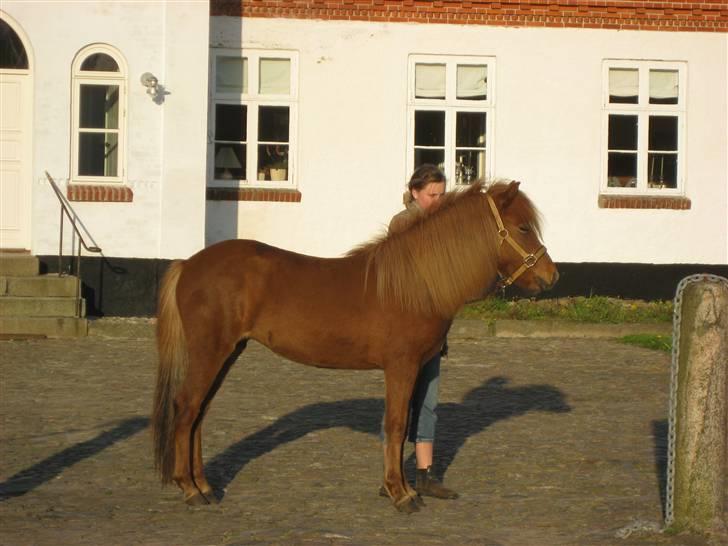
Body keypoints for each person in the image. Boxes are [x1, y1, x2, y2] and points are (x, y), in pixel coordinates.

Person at [381, 163, 459, 500]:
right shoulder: (403, 222)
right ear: (415, 192)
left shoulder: (442, 223)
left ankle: (425, 474)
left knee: (428, 402)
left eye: (442, 195)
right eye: (432, 195)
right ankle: (393, 473)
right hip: (405, 328)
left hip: (431, 327)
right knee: (401, 403)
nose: (437, 201)